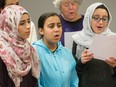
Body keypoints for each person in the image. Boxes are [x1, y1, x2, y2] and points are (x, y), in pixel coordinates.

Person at [72, 2, 116, 87]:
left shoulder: (113, 39)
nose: (100, 22)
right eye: (96, 18)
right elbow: (72, 74)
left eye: (104, 19)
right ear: (88, 18)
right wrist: (81, 62)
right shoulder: (78, 39)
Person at [32, 12, 78, 87]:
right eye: (51, 26)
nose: (56, 29)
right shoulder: (34, 52)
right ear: (41, 31)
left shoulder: (67, 53)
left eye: (59, 26)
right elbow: (35, 83)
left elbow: (74, 81)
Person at [0, 5, 40, 87]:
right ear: (10, 26)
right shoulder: (2, 53)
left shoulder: (29, 49)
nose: (28, 26)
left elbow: (33, 81)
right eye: (22, 23)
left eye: (28, 21)